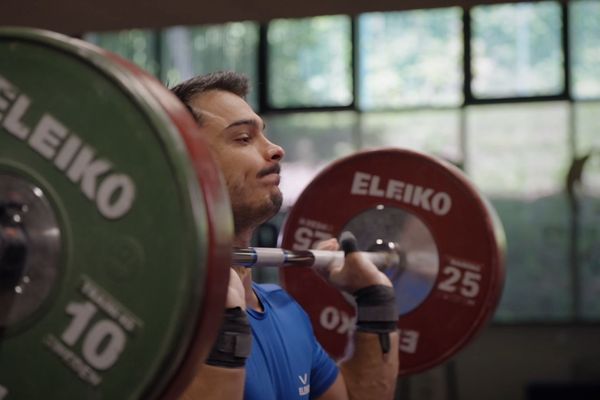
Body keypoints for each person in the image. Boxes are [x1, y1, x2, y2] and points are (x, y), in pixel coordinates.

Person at [170, 71, 399, 400]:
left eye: (263, 134)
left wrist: (375, 302)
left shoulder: (284, 309)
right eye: (244, 138)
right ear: (183, 164)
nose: (276, 150)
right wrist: (222, 336)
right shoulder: (156, 324)